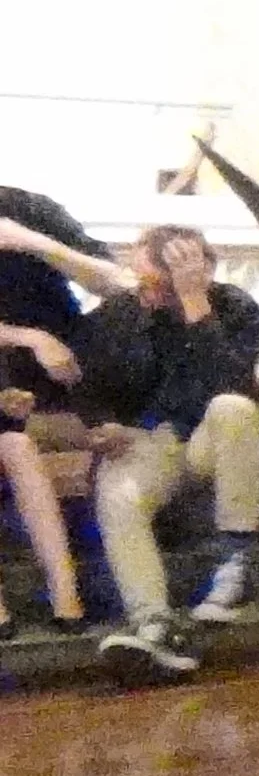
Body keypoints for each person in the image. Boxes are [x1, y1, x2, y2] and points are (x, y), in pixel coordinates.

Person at [84, 226, 259, 679]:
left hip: (211, 440)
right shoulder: (123, 312)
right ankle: (153, 622)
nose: (143, 292)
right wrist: (103, 426)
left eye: (153, 283)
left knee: (234, 408)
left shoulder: (235, 308)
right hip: (151, 442)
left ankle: (233, 561)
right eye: (139, 279)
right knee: (118, 492)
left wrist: (194, 303)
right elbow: (90, 387)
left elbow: (232, 384)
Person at [0, 186, 128, 638]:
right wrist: (29, 337)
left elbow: (118, 283)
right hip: (12, 395)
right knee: (15, 442)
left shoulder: (25, 209)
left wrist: (34, 242)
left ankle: (67, 597)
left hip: (59, 390)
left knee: (18, 443)